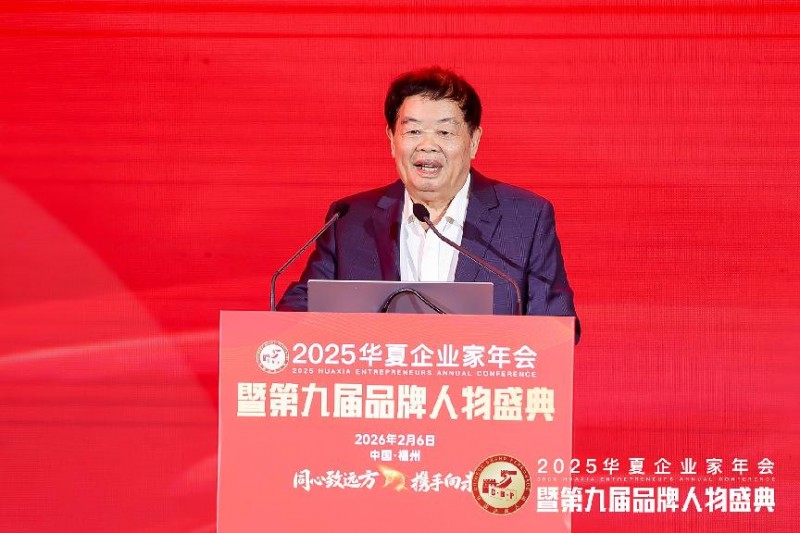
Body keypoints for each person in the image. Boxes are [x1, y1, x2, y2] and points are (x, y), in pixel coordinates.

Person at [278, 66, 579, 341]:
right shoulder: (350, 219)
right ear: (392, 139)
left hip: (479, 382)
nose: (427, 145)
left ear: (474, 140)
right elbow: (299, 310)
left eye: (445, 132)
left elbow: (556, 327)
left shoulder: (524, 218)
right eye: (413, 131)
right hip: (379, 382)